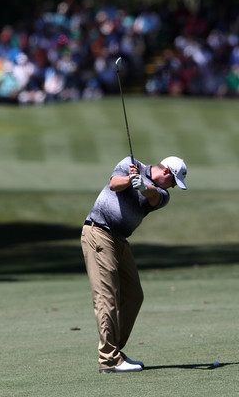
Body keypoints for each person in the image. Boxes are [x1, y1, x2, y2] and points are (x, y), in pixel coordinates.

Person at [81, 156, 188, 373]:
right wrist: (131, 179)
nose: (173, 187)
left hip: (120, 240)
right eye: (174, 182)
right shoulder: (129, 163)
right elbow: (113, 184)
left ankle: (114, 351)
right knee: (107, 297)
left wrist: (142, 184)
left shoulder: (164, 194)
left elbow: (154, 195)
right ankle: (109, 360)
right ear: (167, 172)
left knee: (134, 295)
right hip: (98, 232)